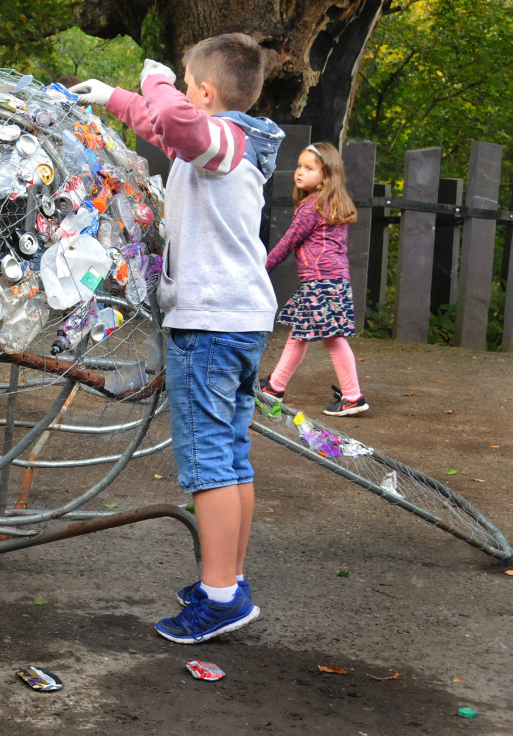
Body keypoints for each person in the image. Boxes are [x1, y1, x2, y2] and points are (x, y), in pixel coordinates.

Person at [71, 33, 284, 644]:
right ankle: (229, 581)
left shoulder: (226, 141)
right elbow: (164, 127)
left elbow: (172, 116)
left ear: (206, 94)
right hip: (237, 322)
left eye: (190, 87)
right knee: (231, 456)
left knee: (208, 462)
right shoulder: (227, 145)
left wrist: (156, 79)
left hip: (211, 326)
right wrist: (114, 97)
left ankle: (220, 600)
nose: (179, 97)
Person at [258, 142, 368, 416]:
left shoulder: (312, 207)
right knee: (299, 333)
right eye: (299, 166)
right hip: (331, 281)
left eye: (309, 168)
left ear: (326, 175)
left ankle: (353, 396)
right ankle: (275, 386)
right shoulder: (331, 204)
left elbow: (289, 241)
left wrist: (262, 268)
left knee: (333, 339)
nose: (299, 172)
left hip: (320, 283)